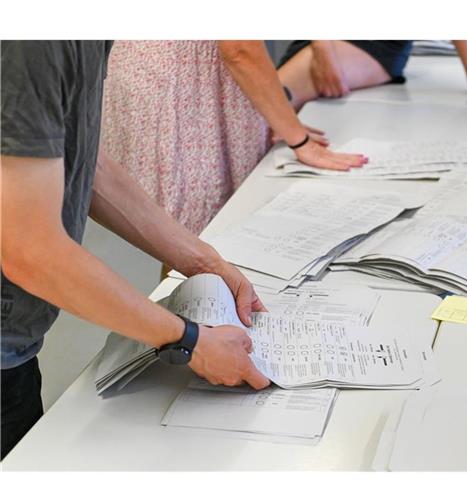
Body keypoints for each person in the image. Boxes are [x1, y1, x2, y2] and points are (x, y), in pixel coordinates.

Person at [0, 41, 270, 459]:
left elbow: (80, 156)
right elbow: (30, 250)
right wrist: (189, 340)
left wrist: (204, 261)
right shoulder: (32, 44)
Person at [101, 40, 367, 235]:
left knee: (190, 234)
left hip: (169, 74)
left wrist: (282, 119)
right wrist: (299, 140)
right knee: (195, 238)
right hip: (182, 87)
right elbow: (240, 49)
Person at [277, 40, 467, 110]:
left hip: (376, 46)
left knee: (269, 107)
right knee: (266, 105)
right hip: (321, 40)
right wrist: (321, 44)